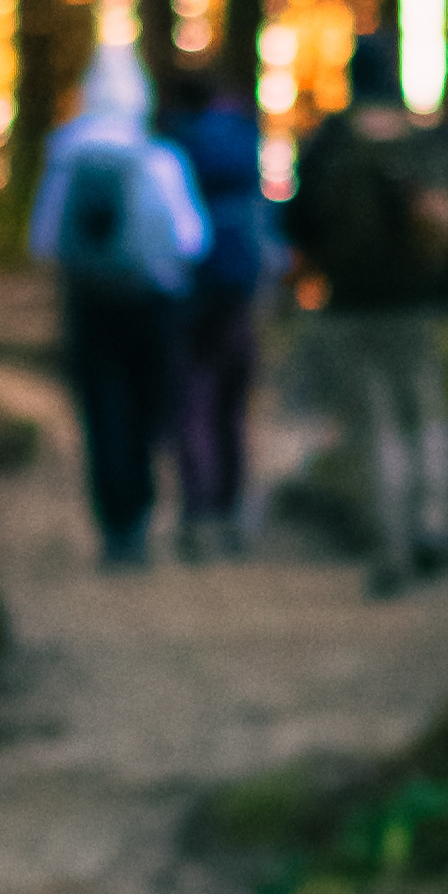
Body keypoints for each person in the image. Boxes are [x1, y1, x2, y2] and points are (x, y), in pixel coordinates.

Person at [287, 26, 448, 593]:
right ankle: (434, 526)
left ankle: (391, 546)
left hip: (350, 305)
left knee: (374, 429)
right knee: (425, 413)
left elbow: (299, 221)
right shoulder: (429, 140)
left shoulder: (332, 139)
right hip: (421, 304)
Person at [26, 39, 205, 568]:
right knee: (147, 410)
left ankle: (116, 523)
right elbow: (191, 238)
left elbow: (43, 240)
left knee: (102, 411)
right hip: (153, 302)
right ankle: (142, 507)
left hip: (89, 304)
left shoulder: (65, 153)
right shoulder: (159, 157)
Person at [165, 68, 271, 558]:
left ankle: (197, 511)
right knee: (232, 403)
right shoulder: (243, 137)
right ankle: (230, 513)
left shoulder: (174, 142)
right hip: (241, 285)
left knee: (192, 399)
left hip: (189, 286)